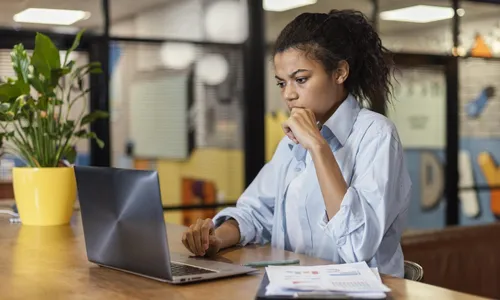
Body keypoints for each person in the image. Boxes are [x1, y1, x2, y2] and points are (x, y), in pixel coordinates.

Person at [181, 9, 411, 278]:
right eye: (282, 83)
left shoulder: (376, 135)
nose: (289, 94)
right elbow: (255, 212)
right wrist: (216, 239)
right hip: (293, 288)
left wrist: (318, 147)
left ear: (339, 72)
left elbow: (357, 244)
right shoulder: (291, 143)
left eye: (301, 79)